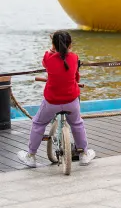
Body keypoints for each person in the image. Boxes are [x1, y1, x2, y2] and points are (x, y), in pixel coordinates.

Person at [17, 30, 95, 168]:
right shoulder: (75, 58)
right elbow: (76, 77)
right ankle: (83, 154)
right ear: (70, 44)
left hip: (52, 102)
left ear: (53, 45)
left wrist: (52, 50)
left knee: (38, 123)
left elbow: (46, 62)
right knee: (77, 124)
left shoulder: (48, 57)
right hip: (71, 101)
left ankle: (31, 156)